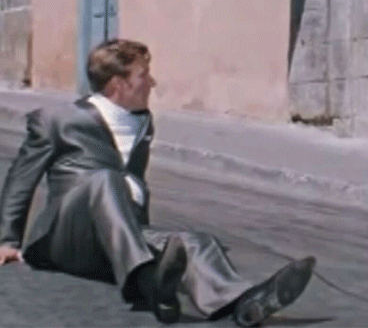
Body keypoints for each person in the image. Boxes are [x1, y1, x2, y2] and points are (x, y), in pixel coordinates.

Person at [0, 38, 315, 326]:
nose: (152, 82)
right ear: (119, 84)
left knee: (196, 242)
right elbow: (21, 177)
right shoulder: (57, 120)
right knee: (105, 180)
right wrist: (7, 240)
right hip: (66, 237)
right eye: (144, 75)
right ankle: (150, 280)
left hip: (118, 239)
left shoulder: (142, 121)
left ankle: (245, 302)